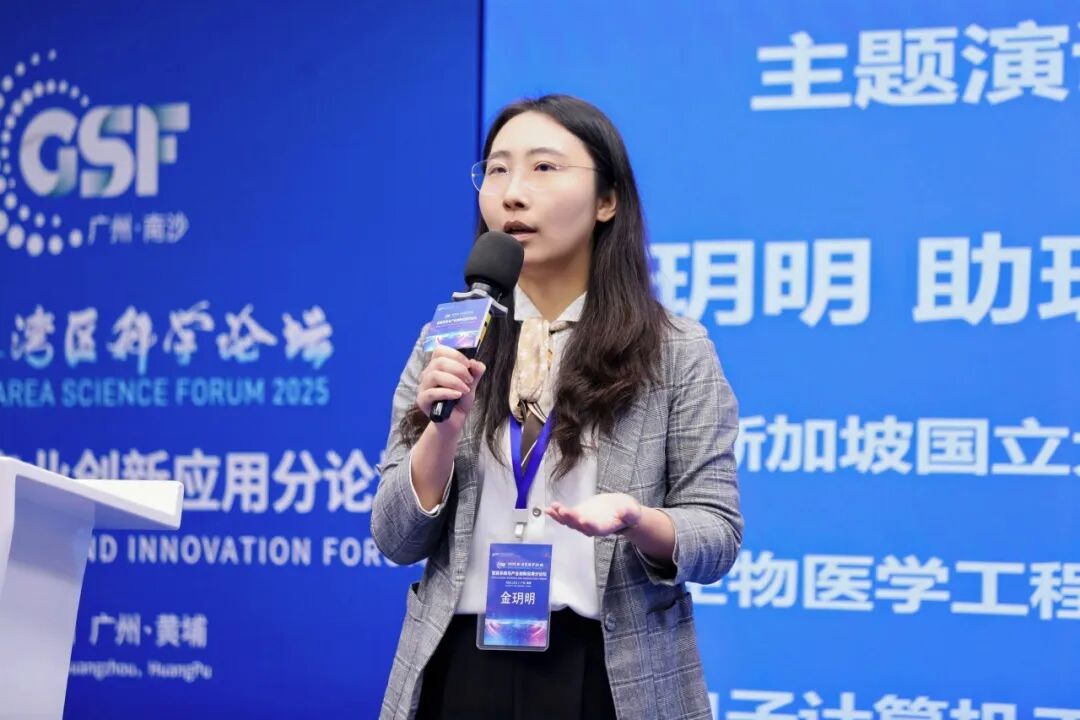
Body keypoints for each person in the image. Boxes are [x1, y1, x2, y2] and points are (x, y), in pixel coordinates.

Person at [371, 94, 743, 720]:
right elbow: (394, 537)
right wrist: (441, 434)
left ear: (607, 200)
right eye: (497, 170)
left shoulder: (676, 350)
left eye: (544, 168)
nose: (513, 194)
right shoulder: (450, 339)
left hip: (610, 672)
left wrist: (638, 520)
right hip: (460, 665)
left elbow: (718, 534)